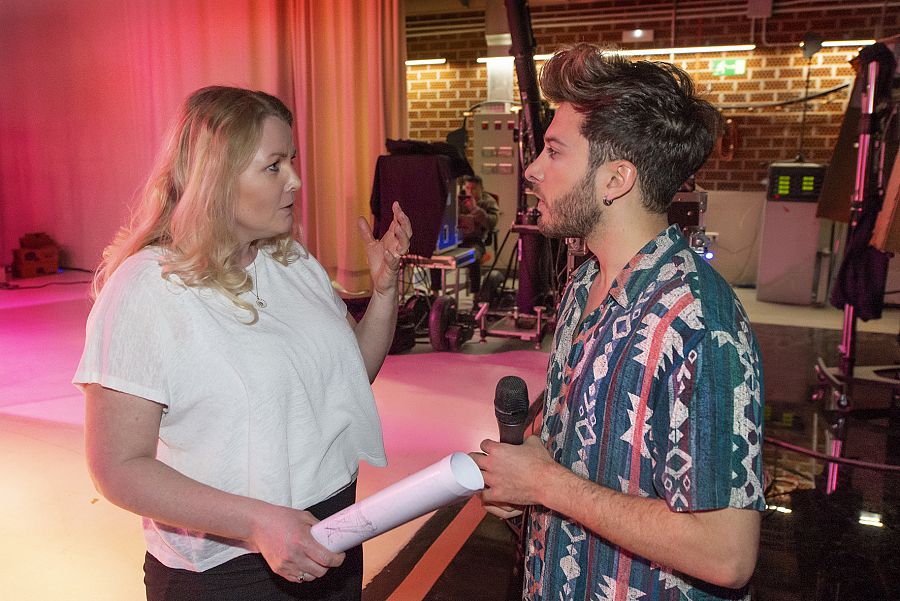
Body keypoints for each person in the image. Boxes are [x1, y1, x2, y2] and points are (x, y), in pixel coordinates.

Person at [73, 86, 412, 601]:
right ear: (216, 178)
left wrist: (384, 293)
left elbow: (351, 375)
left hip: (332, 532)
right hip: (228, 568)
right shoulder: (148, 288)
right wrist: (256, 522)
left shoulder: (291, 261)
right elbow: (117, 468)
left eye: (291, 160)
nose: (295, 180)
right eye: (273, 166)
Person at [471, 44, 765, 601]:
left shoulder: (698, 323)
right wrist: (524, 475)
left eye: (554, 152)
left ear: (616, 180)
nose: (532, 170)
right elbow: (582, 451)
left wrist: (546, 484)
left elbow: (726, 553)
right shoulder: (585, 282)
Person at [430, 174, 499, 295]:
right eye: (467, 188)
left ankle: (475, 294)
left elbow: (492, 223)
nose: (470, 191)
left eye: (474, 189)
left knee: (473, 256)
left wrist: (475, 209)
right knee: (435, 256)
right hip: (454, 239)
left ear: (481, 189)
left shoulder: (488, 201)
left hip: (475, 240)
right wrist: (453, 207)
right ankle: (435, 292)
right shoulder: (457, 198)